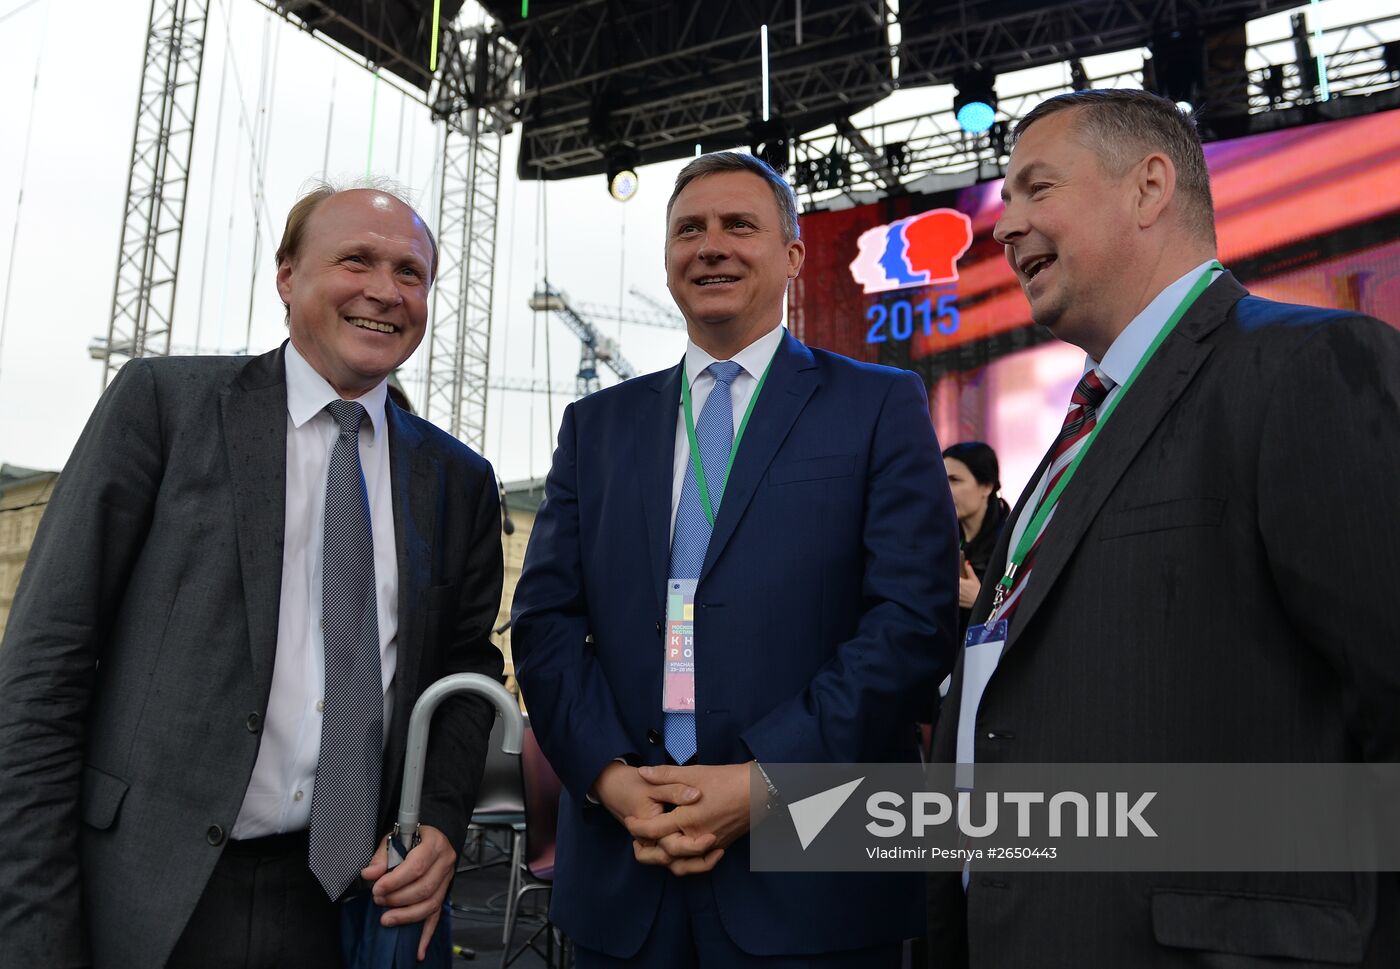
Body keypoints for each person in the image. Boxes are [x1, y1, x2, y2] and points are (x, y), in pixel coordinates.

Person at [927, 89, 1400, 966]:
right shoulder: (1082, 427)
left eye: (1037, 188)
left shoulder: (1307, 366)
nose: (1005, 226)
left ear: (1149, 188)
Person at [0, 182, 506, 969]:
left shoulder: (458, 479)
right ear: (287, 276)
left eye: (410, 272)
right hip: (150, 896)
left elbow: (465, 670)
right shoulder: (164, 407)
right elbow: (44, 669)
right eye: (356, 260)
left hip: (348, 903)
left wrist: (439, 817)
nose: (385, 290)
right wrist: (33, 932)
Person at [511, 151, 959, 968]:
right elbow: (544, 625)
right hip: (625, 869)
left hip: (813, 880)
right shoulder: (596, 427)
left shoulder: (877, 405)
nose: (710, 245)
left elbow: (911, 622)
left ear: (792, 256)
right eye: (689, 229)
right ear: (668, 259)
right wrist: (612, 779)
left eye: (738, 225)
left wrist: (763, 781)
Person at [941, 441, 1009, 639]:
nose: (944, 489)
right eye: (942, 480)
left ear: (986, 486)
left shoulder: (1010, 545)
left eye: (954, 480)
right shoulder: (942, 543)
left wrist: (981, 602)